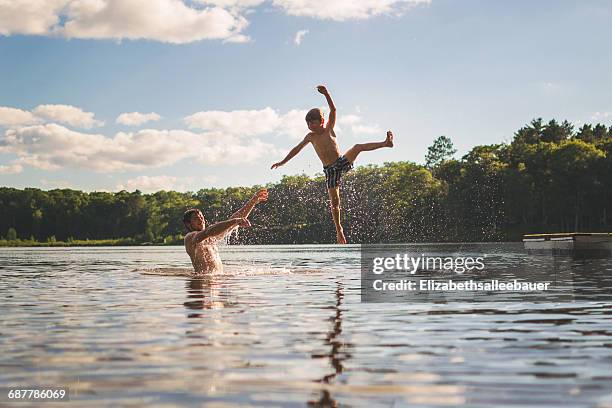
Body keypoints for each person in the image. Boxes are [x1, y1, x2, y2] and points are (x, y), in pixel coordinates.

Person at [271, 85, 394, 244]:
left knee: (357, 147)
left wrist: (326, 94)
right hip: (329, 171)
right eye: (308, 124)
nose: (310, 126)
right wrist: (282, 162)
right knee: (335, 204)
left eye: (313, 123)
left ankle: (385, 143)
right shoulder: (310, 137)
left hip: (341, 162)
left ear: (321, 121)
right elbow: (297, 149)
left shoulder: (329, 128)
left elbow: (333, 110)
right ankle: (339, 230)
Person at [183, 189, 268, 273]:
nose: (201, 220)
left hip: (217, 281)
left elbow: (236, 217)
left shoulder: (212, 237)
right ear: (188, 224)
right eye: (196, 218)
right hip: (202, 283)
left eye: (201, 217)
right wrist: (235, 221)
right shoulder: (190, 237)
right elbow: (208, 231)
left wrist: (253, 201)